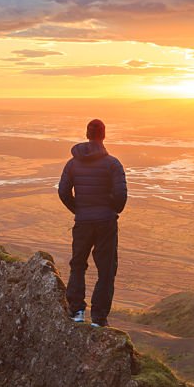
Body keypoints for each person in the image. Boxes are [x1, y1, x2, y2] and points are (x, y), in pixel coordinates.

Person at [58, 118, 127, 327]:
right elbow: (121, 195)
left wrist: (79, 210)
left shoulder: (72, 164)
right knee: (106, 270)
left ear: (87, 135)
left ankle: (77, 311)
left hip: (83, 222)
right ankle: (98, 319)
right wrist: (113, 209)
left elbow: (63, 192)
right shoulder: (112, 164)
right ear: (103, 135)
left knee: (78, 265)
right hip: (106, 222)